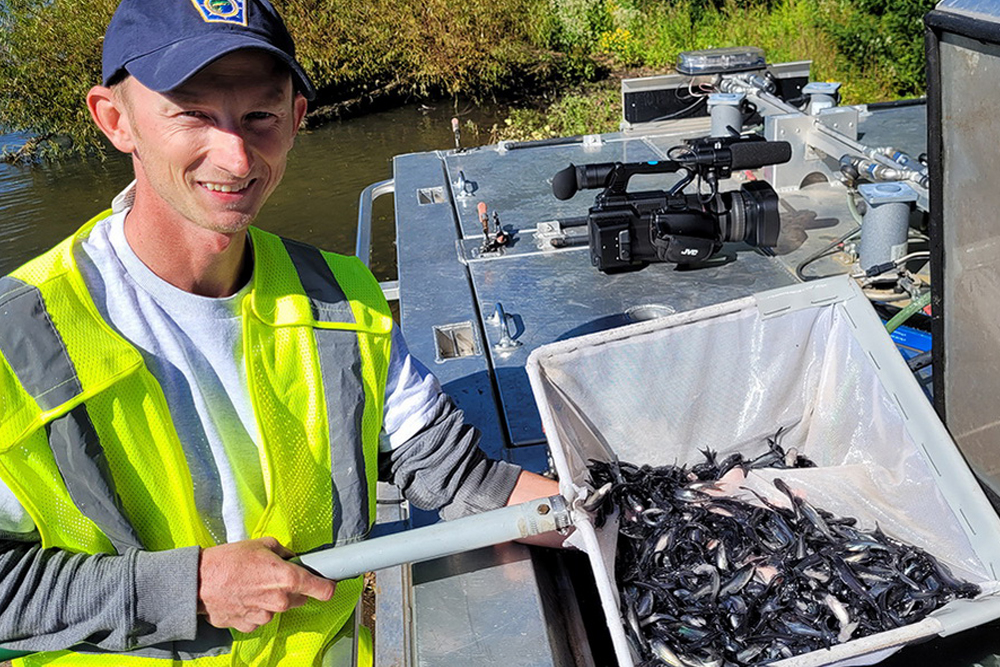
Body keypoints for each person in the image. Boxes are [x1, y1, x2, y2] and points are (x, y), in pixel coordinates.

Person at [0, 0, 560, 664]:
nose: (236, 158)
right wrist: (189, 588)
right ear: (115, 119)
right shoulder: (17, 339)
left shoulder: (344, 298)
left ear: (296, 120)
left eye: (260, 116)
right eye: (193, 114)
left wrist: (639, 511)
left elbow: (462, 478)